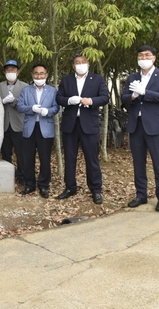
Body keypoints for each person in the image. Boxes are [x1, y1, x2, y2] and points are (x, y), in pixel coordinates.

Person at [121, 45, 159, 211]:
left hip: (155, 126)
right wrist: (133, 96)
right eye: (141, 55)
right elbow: (124, 98)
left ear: (154, 57)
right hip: (136, 125)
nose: (144, 58)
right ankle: (141, 195)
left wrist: (145, 92)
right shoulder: (132, 77)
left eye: (147, 55)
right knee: (138, 163)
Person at [56, 53, 109, 204]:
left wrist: (91, 100)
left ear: (88, 63)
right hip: (70, 125)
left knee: (92, 159)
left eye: (83, 61)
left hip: (89, 124)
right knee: (70, 158)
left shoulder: (97, 79)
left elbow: (105, 97)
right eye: (77, 62)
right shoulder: (66, 80)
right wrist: (68, 100)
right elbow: (59, 98)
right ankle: (70, 187)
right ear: (73, 66)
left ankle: (96, 189)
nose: (80, 64)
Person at [16, 64, 59, 198]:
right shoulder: (26, 90)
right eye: (36, 73)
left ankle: (44, 186)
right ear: (32, 75)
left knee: (45, 159)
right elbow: (20, 106)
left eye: (41, 73)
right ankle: (30, 185)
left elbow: (57, 107)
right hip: (29, 128)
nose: (39, 76)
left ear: (46, 75)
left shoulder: (53, 91)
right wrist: (31, 108)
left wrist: (48, 111)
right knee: (28, 158)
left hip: (45, 128)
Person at [0, 59, 28, 185]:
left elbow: (26, 103)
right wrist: (2, 102)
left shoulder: (25, 86)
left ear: (18, 71)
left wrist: (14, 100)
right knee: (5, 151)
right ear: (5, 72)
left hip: (19, 124)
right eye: (8, 70)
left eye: (13, 70)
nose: (10, 72)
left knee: (21, 152)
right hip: (3, 125)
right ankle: (7, 174)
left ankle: (21, 175)